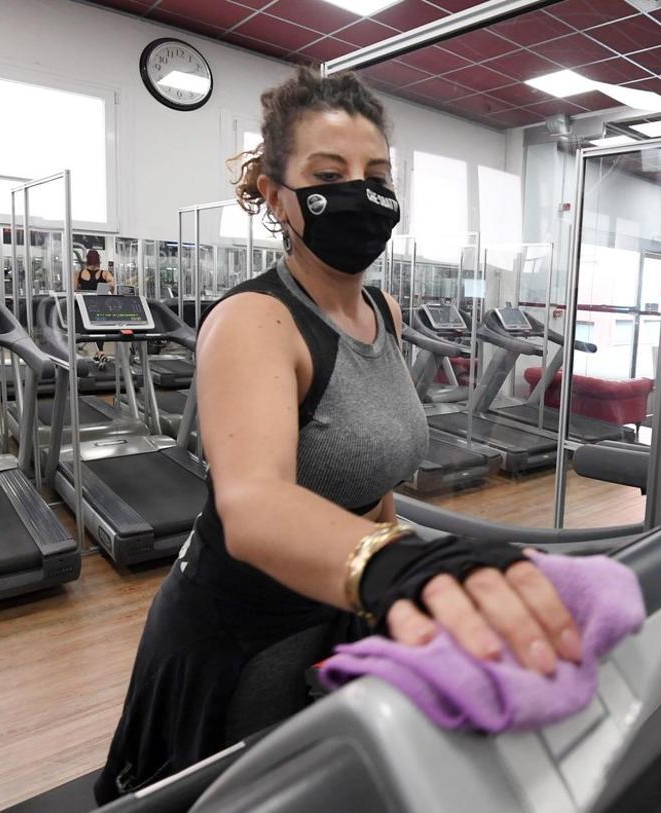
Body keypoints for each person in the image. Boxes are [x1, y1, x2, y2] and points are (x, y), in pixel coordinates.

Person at [94, 68, 582, 802]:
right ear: (274, 195)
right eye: (330, 174)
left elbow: (371, 476)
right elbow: (254, 503)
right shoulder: (254, 321)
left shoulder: (381, 308)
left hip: (340, 603)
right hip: (248, 635)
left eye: (376, 173)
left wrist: (392, 581)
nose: (362, 191)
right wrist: (397, 565)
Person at [74, 248, 114, 366]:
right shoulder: (104, 273)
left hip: (84, 305)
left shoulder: (79, 274)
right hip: (99, 305)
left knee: (88, 328)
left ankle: (99, 352)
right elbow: (112, 284)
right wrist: (104, 286)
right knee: (98, 329)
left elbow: (73, 290)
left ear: (87, 260)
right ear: (98, 260)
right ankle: (100, 351)